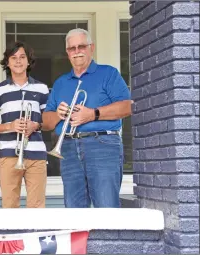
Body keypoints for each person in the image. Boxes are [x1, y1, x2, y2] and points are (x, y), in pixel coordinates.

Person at [42, 28, 132, 208]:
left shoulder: (108, 74)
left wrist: (92, 114)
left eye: (81, 46)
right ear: (67, 52)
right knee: (74, 210)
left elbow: (127, 106)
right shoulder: (60, 83)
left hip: (102, 145)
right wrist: (58, 114)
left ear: (91, 47)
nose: (77, 51)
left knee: (106, 207)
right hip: (67, 148)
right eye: (72, 48)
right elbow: (45, 123)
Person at [0, 41, 49, 208]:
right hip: (9, 154)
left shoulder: (42, 89)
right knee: (10, 207)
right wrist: (10, 126)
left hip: (36, 154)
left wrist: (35, 125)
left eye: (22, 57)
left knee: (37, 206)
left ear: (29, 61)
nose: (18, 61)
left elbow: (49, 121)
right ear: (7, 62)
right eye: (13, 58)